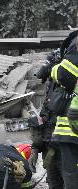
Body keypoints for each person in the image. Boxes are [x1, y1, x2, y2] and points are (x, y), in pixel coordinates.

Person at [28, 49, 64, 189]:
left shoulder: (71, 89)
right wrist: (35, 148)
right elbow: (45, 117)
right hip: (50, 149)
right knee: (54, 183)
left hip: (66, 148)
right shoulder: (51, 86)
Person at [48, 31, 78, 189]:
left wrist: (54, 68)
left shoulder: (76, 42)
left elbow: (64, 73)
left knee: (71, 174)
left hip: (69, 130)